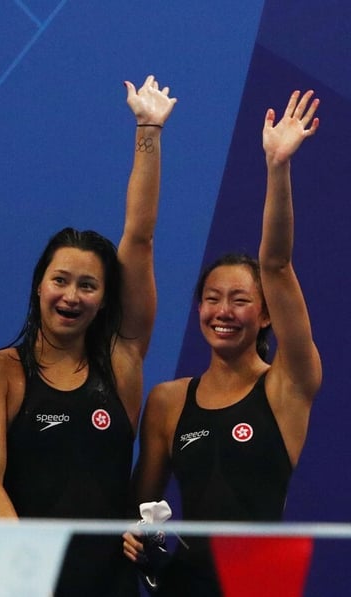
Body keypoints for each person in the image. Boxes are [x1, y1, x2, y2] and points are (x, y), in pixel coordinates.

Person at [0, 75, 176, 596]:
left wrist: (148, 131)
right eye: (60, 281)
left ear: (104, 300)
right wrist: (28, 565)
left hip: (111, 584)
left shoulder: (122, 362)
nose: (71, 296)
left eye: (87, 285)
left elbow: (139, 238)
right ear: (38, 288)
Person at [122, 90, 323, 595]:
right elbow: (138, 510)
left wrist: (277, 167)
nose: (223, 312)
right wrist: (136, 539)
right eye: (212, 298)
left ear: (267, 314)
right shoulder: (168, 403)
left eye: (239, 299)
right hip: (185, 584)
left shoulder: (288, 386)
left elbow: (275, 264)